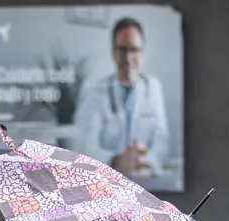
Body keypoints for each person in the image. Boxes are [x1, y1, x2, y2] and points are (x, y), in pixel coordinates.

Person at [74, 17, 173, 189]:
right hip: (104, 187)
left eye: (134, 50)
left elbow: (162, 143)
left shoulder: (154, 88)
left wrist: (144, 161)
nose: (128, 58)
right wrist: (117, 161)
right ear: (113, 53)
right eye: (122, 50)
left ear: (143, 53)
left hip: (146, 186)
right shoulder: (95, 91)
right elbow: (85, 147)